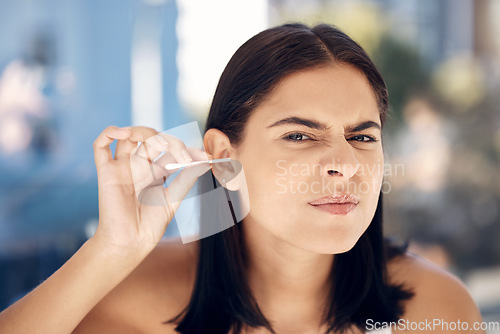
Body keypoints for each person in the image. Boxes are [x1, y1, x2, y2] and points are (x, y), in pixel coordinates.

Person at [0, 23, 485, 334]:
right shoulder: (129, 304)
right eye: (300, 136)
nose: (346, 164)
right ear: (221, 156)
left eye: (362, 137)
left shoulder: (437, 312)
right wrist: (111, 250)